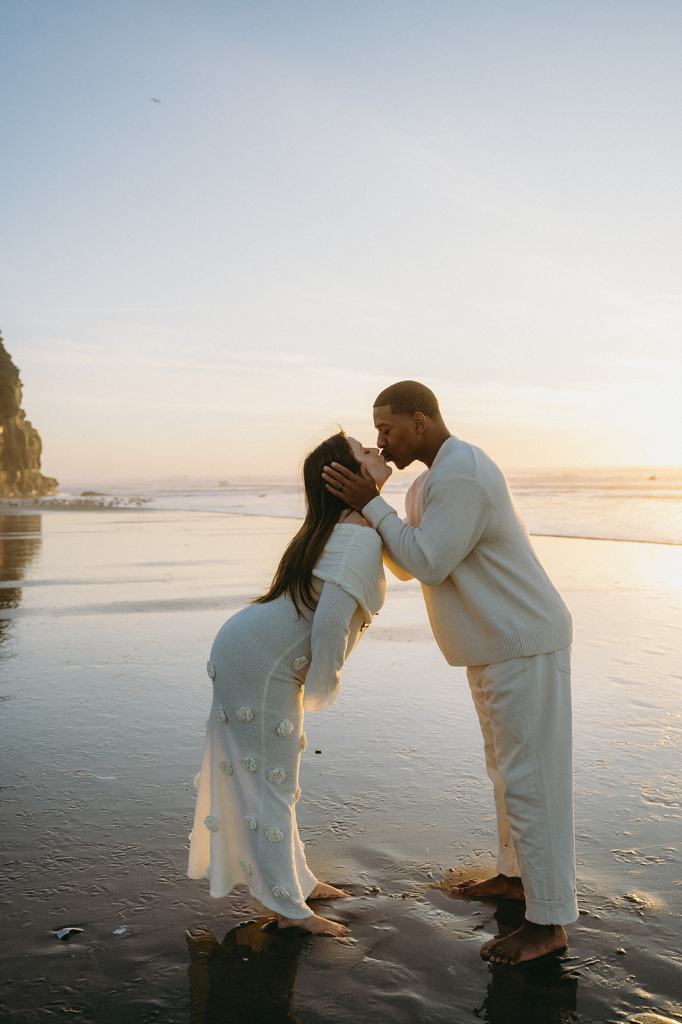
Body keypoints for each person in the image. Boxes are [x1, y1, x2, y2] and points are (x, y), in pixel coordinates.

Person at [321, 381, 578, 965]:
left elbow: (429, 562)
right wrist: (370, 508)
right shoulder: (431, 481)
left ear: (420, 419)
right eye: (377, 432)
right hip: (495, 643)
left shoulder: (461, 473)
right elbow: (413, 560)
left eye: (387, 429)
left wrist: (373, 503)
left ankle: (550, 922)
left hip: (523, 641)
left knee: (532, 782)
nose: (382, 441)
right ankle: (516, 879)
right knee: (509, 774)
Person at [186, 431, 390, 937]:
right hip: (258, 661)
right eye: (365, 453)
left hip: (248, 648)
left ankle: (298, 880)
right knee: (271, 786)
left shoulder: (343, 526)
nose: (377, 453)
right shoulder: (358, 534)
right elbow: (327, 626)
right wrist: (324, 686)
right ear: (346, 478)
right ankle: (288, 909)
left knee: (276, 781)